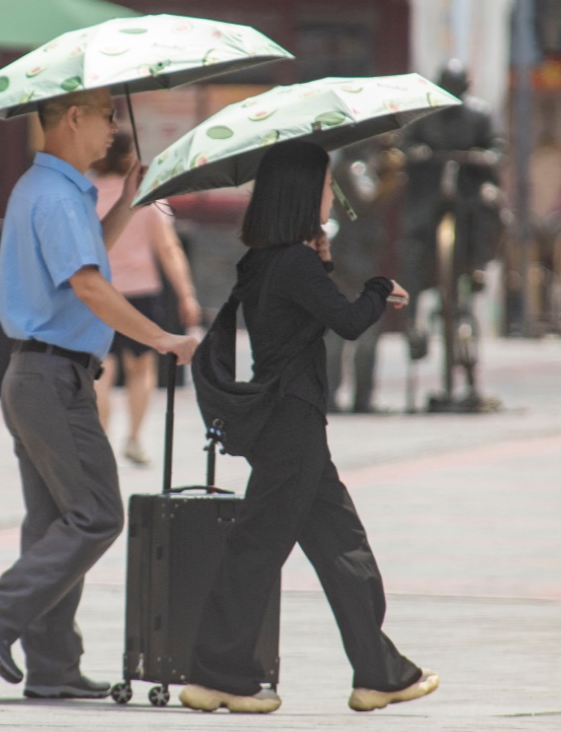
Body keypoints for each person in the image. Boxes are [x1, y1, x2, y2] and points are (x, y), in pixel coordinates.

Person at [180, 141, 438, 714]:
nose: (331, 192)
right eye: (324, 184)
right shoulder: (290, 262)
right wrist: (376, 289)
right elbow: (346, 321)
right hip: (292, 422)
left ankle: (378, 672)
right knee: (258, 548)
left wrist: (321, 265)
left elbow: (298, 317)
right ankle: (219, 673)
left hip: (290, 422)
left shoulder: (269, 259)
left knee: (343, 546)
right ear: (301, 192)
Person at [0, 88, 198, 699]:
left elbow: (86, 259)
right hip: (53, 379)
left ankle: (53, 668)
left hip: (37, 376)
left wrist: (127, 203)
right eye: (106, 115)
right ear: (72, 118)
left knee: (52, 526)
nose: (114, 128)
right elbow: (88, 287)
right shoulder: (59, 197)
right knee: (96, 515)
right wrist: (163, 338)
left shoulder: (52, 192)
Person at [89, 132, 202, 465]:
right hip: (141, 294)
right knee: (141, 369)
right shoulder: (146, 198)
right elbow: (168, 249)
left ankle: (100, 440)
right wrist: (186, 294)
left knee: (101, 369)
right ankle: (135, 439)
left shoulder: (86, 194)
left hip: (100, 293)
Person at [398, 59, 502, 367]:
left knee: (490, 204)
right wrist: (416, 153)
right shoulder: (425, 113)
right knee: (413, 239)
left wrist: (484, 158)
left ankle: (480, 261)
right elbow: (405, 144)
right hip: (430, 187)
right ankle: (412, 309)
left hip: (469, 186)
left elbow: (498, 148)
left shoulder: (480, 113)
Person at [325, 140, 398, 414]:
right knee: (354, 330)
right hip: (353, 257)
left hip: (359, 254)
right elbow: (366, 200)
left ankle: (356, 395)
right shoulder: (353, 166)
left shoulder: (349, 165)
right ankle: (342, 395)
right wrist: (392, 179)